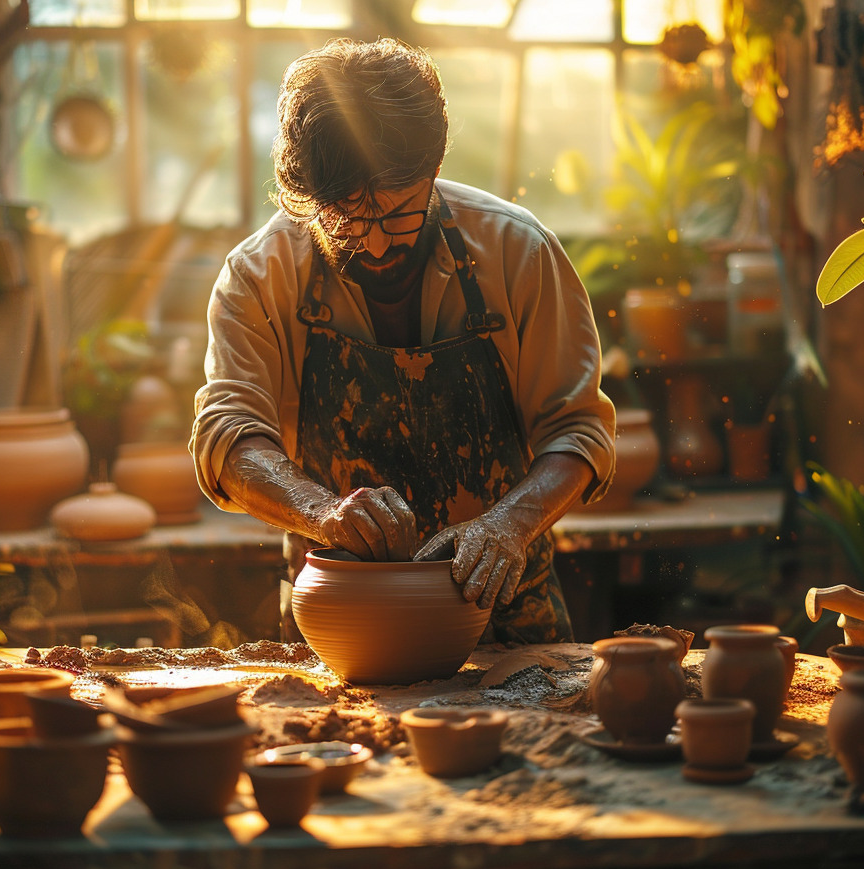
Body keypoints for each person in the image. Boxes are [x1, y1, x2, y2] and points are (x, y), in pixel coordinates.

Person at [190, 37, 616, 644]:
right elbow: (227, 436)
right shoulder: (259, 275)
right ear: (306, 198)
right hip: (340, 623)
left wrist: (506, 527)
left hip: (505, 622)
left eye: (398, 213)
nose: (378, 244)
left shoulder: (518, 251)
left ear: (433, 171)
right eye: (346, 220)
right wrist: (322, 514)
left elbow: (579, 430)